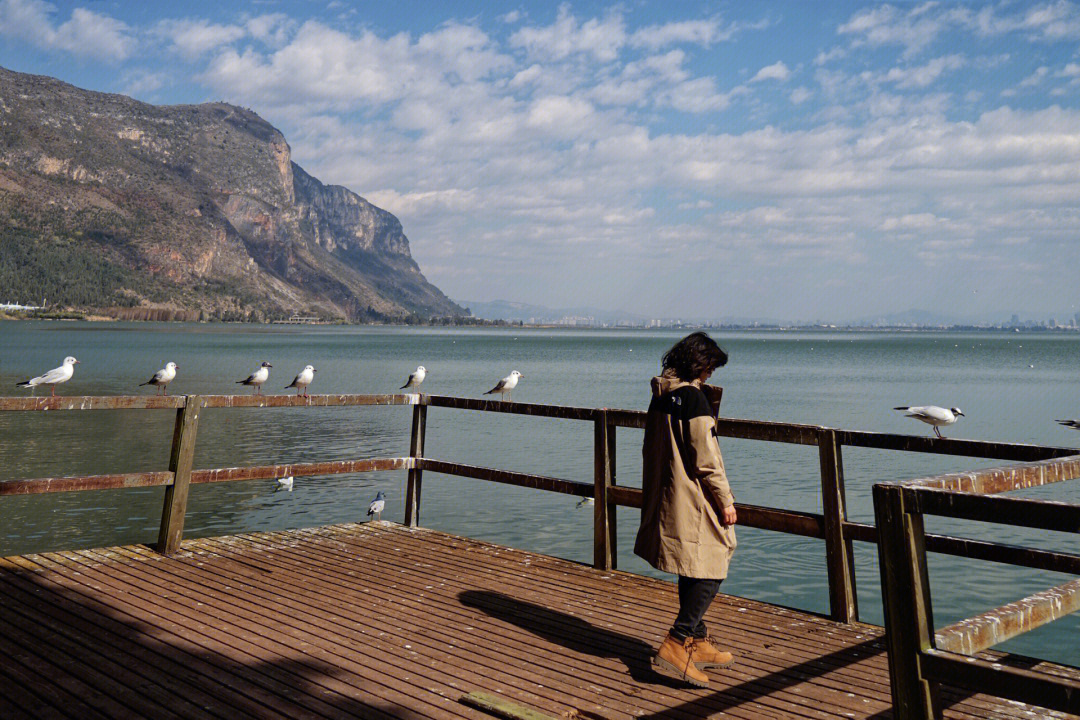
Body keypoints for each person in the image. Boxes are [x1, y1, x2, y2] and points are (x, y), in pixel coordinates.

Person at [634, 331, 737, 688]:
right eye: (710, 367)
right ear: (699, 364)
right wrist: (726, 501)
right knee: (717, 557)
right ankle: (678, 641)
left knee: (692, 562)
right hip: (693, 495)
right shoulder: (693, 399)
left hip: (668, 492)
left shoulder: (662, 396)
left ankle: (698, 638)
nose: (711, 375)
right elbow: (707, 459)